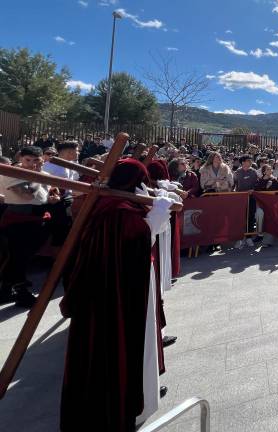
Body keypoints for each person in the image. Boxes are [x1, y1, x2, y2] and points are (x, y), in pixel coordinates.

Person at [59, 158, 163, 431]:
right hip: (115, 295)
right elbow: (137, 241)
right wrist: (155, 220)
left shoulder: (112, 205)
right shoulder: (119, 212)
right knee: (116, 349)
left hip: (106, 288)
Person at [0, 146, 60, 307]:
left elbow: (47, 193)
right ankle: (20, 291)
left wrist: (52, 198)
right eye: (28, 160)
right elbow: (27, 195)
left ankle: (6, 289)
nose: (32, 164)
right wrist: (38, 176)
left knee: (24, 256)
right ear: (20, 158)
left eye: (36, 161)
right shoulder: (12, 172)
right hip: (18, 219)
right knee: (18, 256)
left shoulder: (42, 174)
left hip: (39, 217)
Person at [42, 140, 80, 246]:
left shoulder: (72, 165)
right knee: (54, 230)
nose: (78, 153)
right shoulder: (49, 166)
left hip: (67, 201)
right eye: (77, 151)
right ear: (68, 152)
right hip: (53, 203)